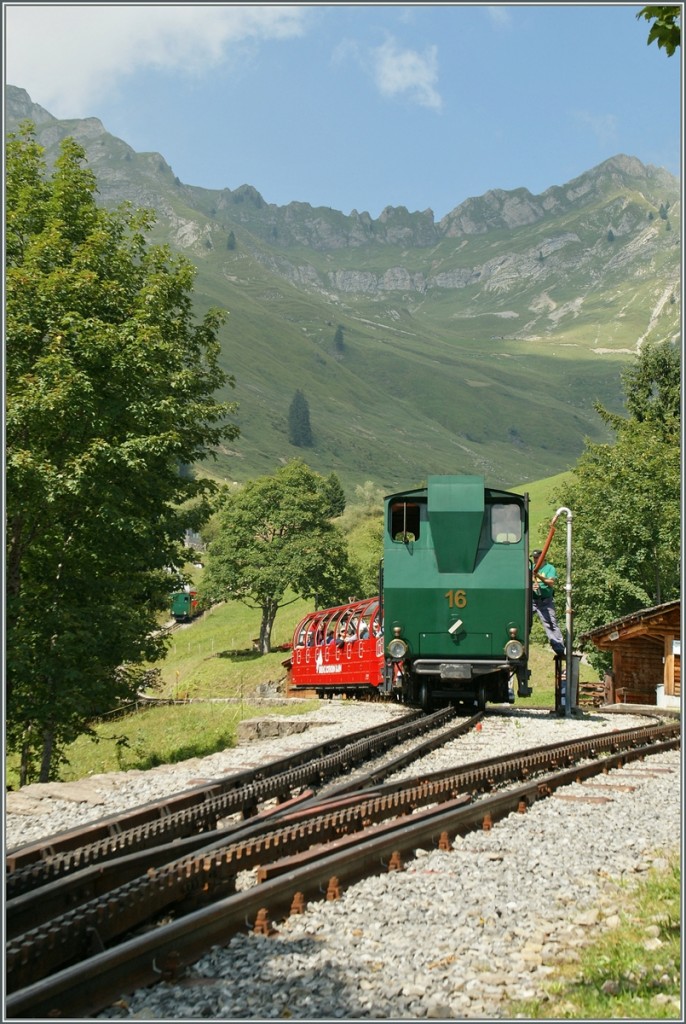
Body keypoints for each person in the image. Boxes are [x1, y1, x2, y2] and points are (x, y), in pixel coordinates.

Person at [530, 549, 565, 657]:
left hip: (546, 601)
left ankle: (559, 648)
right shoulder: (530, 568)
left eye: (537, 558)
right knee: (523, 620)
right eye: (534, 558)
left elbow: (551, 582)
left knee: (551, 623)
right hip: (532, 601)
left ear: (542, 558)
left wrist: (538, 576)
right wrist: (532, 585)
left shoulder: (550, 568)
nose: (535, 560)